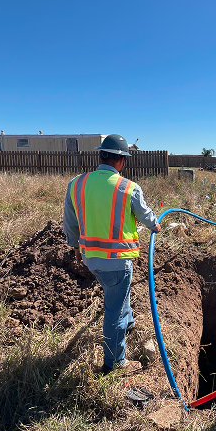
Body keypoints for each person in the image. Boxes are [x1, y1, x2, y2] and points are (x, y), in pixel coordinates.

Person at [63, 134, 161, 375]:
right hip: (116, 261)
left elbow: (70, 222)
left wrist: (75, 246)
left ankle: (126, 324)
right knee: (113, 310)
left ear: (100, 156)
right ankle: (115, 363)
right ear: (122, 161)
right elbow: (146, 215)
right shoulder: (128, 188)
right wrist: (155, 226)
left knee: (117, 294)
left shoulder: (77, 184)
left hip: (90, 259)